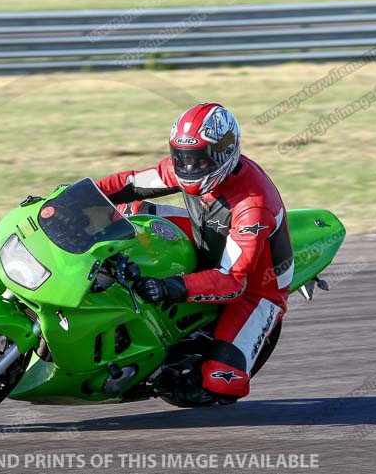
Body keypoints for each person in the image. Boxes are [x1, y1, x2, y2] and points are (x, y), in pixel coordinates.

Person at [96, 103, 294, 403]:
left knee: (219, 383)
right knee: (130, 212)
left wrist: (169, 287)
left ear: (223, 155)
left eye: (198, 160)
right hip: (207, 237)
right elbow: (132, 183)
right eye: (182, 157)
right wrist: (76, 196)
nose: (188, 168)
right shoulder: (189, 165)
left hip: (256, 286)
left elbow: (233, 280)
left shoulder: (252, 206)